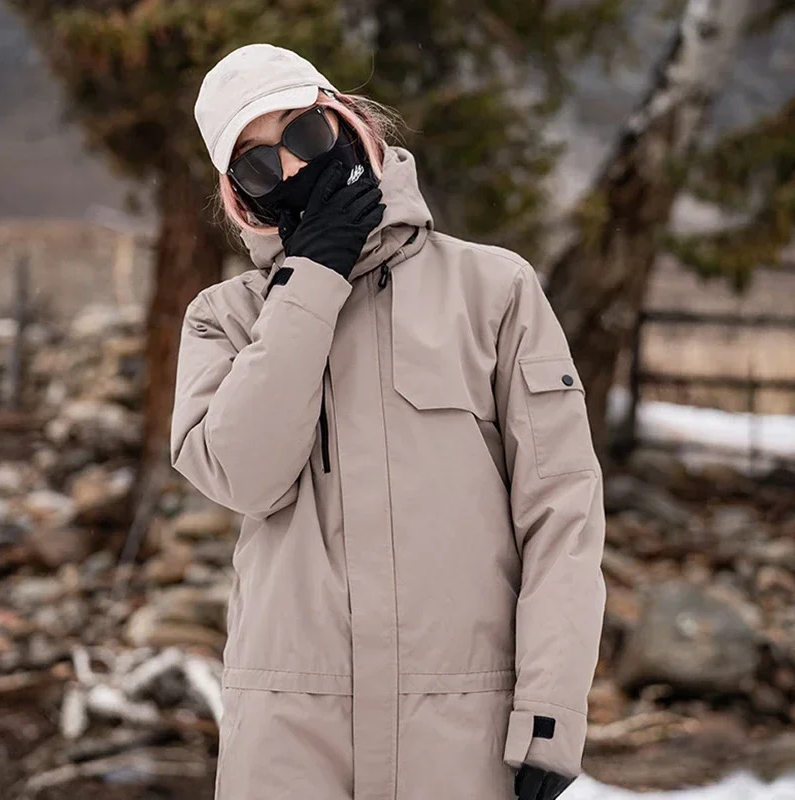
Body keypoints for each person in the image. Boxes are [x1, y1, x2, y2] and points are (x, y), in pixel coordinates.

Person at [171, 42, 606, 800]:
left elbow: (562, 511)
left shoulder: (494, 290)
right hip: (289, 741)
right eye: (260, 165)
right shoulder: (224, 321)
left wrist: (549, 712)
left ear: (351, 123)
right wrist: (312, 279)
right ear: (240, 196)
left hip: (464, 730)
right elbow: (247, 476)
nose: (297, 171)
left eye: (305, 136)